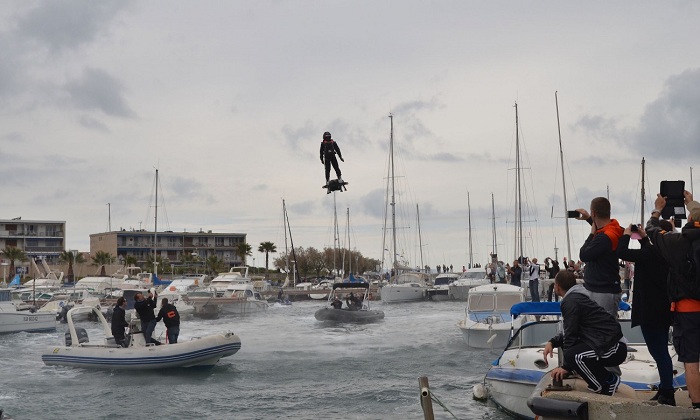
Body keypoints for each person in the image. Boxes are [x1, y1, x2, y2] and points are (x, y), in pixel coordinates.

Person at [646, 190, 700, 409]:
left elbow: (651, 230)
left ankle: (697, 406)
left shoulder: (676, 242)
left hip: (687, 311)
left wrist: (657, 209)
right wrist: (693, 205)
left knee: (691, 362)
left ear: (688, 220)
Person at [617, 220, 675, 405]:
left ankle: (668, 393)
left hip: (650, 309)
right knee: (660, 351)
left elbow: (622, 253)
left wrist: (626, 235)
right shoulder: (665, 252)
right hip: (662, 308)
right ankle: (666, 388)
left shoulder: (651, 252)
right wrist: (644, 239)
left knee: (659, 352)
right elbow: (649, 254)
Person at [543, 271, 627, 396]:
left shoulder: (571, 301)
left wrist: (566, 367)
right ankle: (601, 382)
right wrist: (553, 342)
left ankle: (608, 382)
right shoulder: (577, 297)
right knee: (573, 353)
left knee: (573, 355)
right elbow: (571, 331)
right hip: (609, 344)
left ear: (557, 286)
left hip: (613, 347)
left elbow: (570, 335)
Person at [574, 197, 624, 317]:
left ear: (594, 212)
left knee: (603, 329)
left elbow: (584, 255)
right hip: (604, 289)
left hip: (602, 292)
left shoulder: (604, 238)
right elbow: (601, 228)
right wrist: (589, 219)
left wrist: (591, 234)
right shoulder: (613, 229)